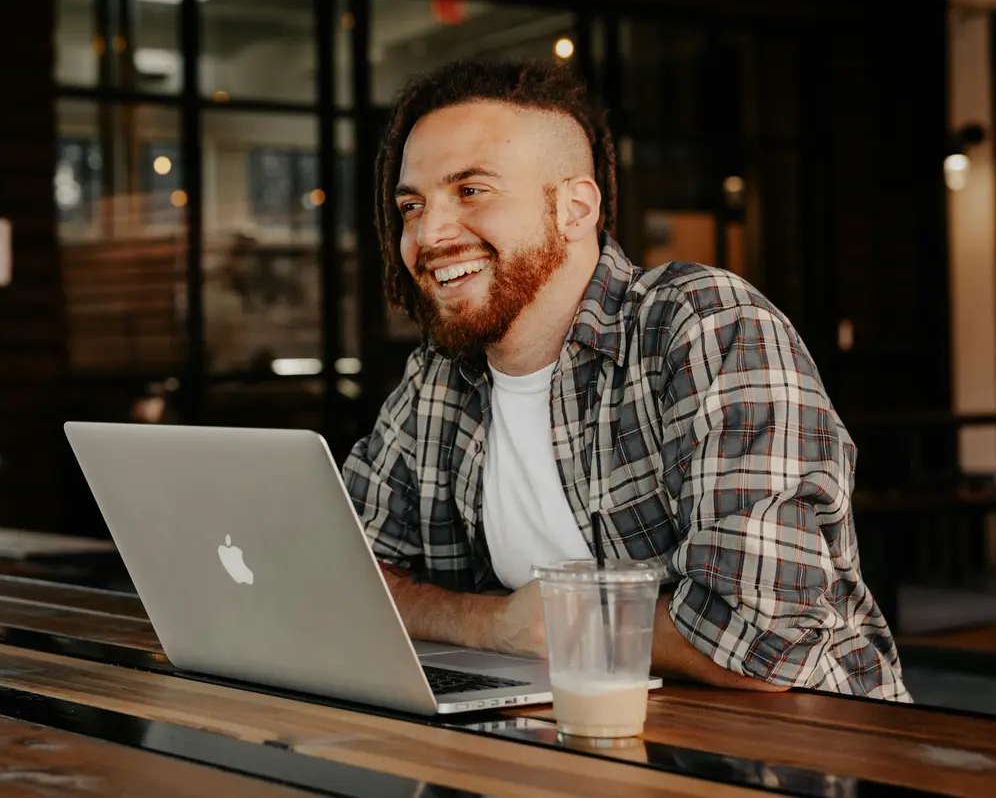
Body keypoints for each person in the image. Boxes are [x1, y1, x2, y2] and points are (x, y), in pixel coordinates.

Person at [342, 58, 907, 700]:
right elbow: (347, 575)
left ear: (576, 208)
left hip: (798, 751)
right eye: (412, 205)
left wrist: (560, 622)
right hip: (563, 740)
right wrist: (496, 625)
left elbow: (761, 638)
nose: (428, 233)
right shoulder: (438, 378)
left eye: (471, 191)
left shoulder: (705, 325)